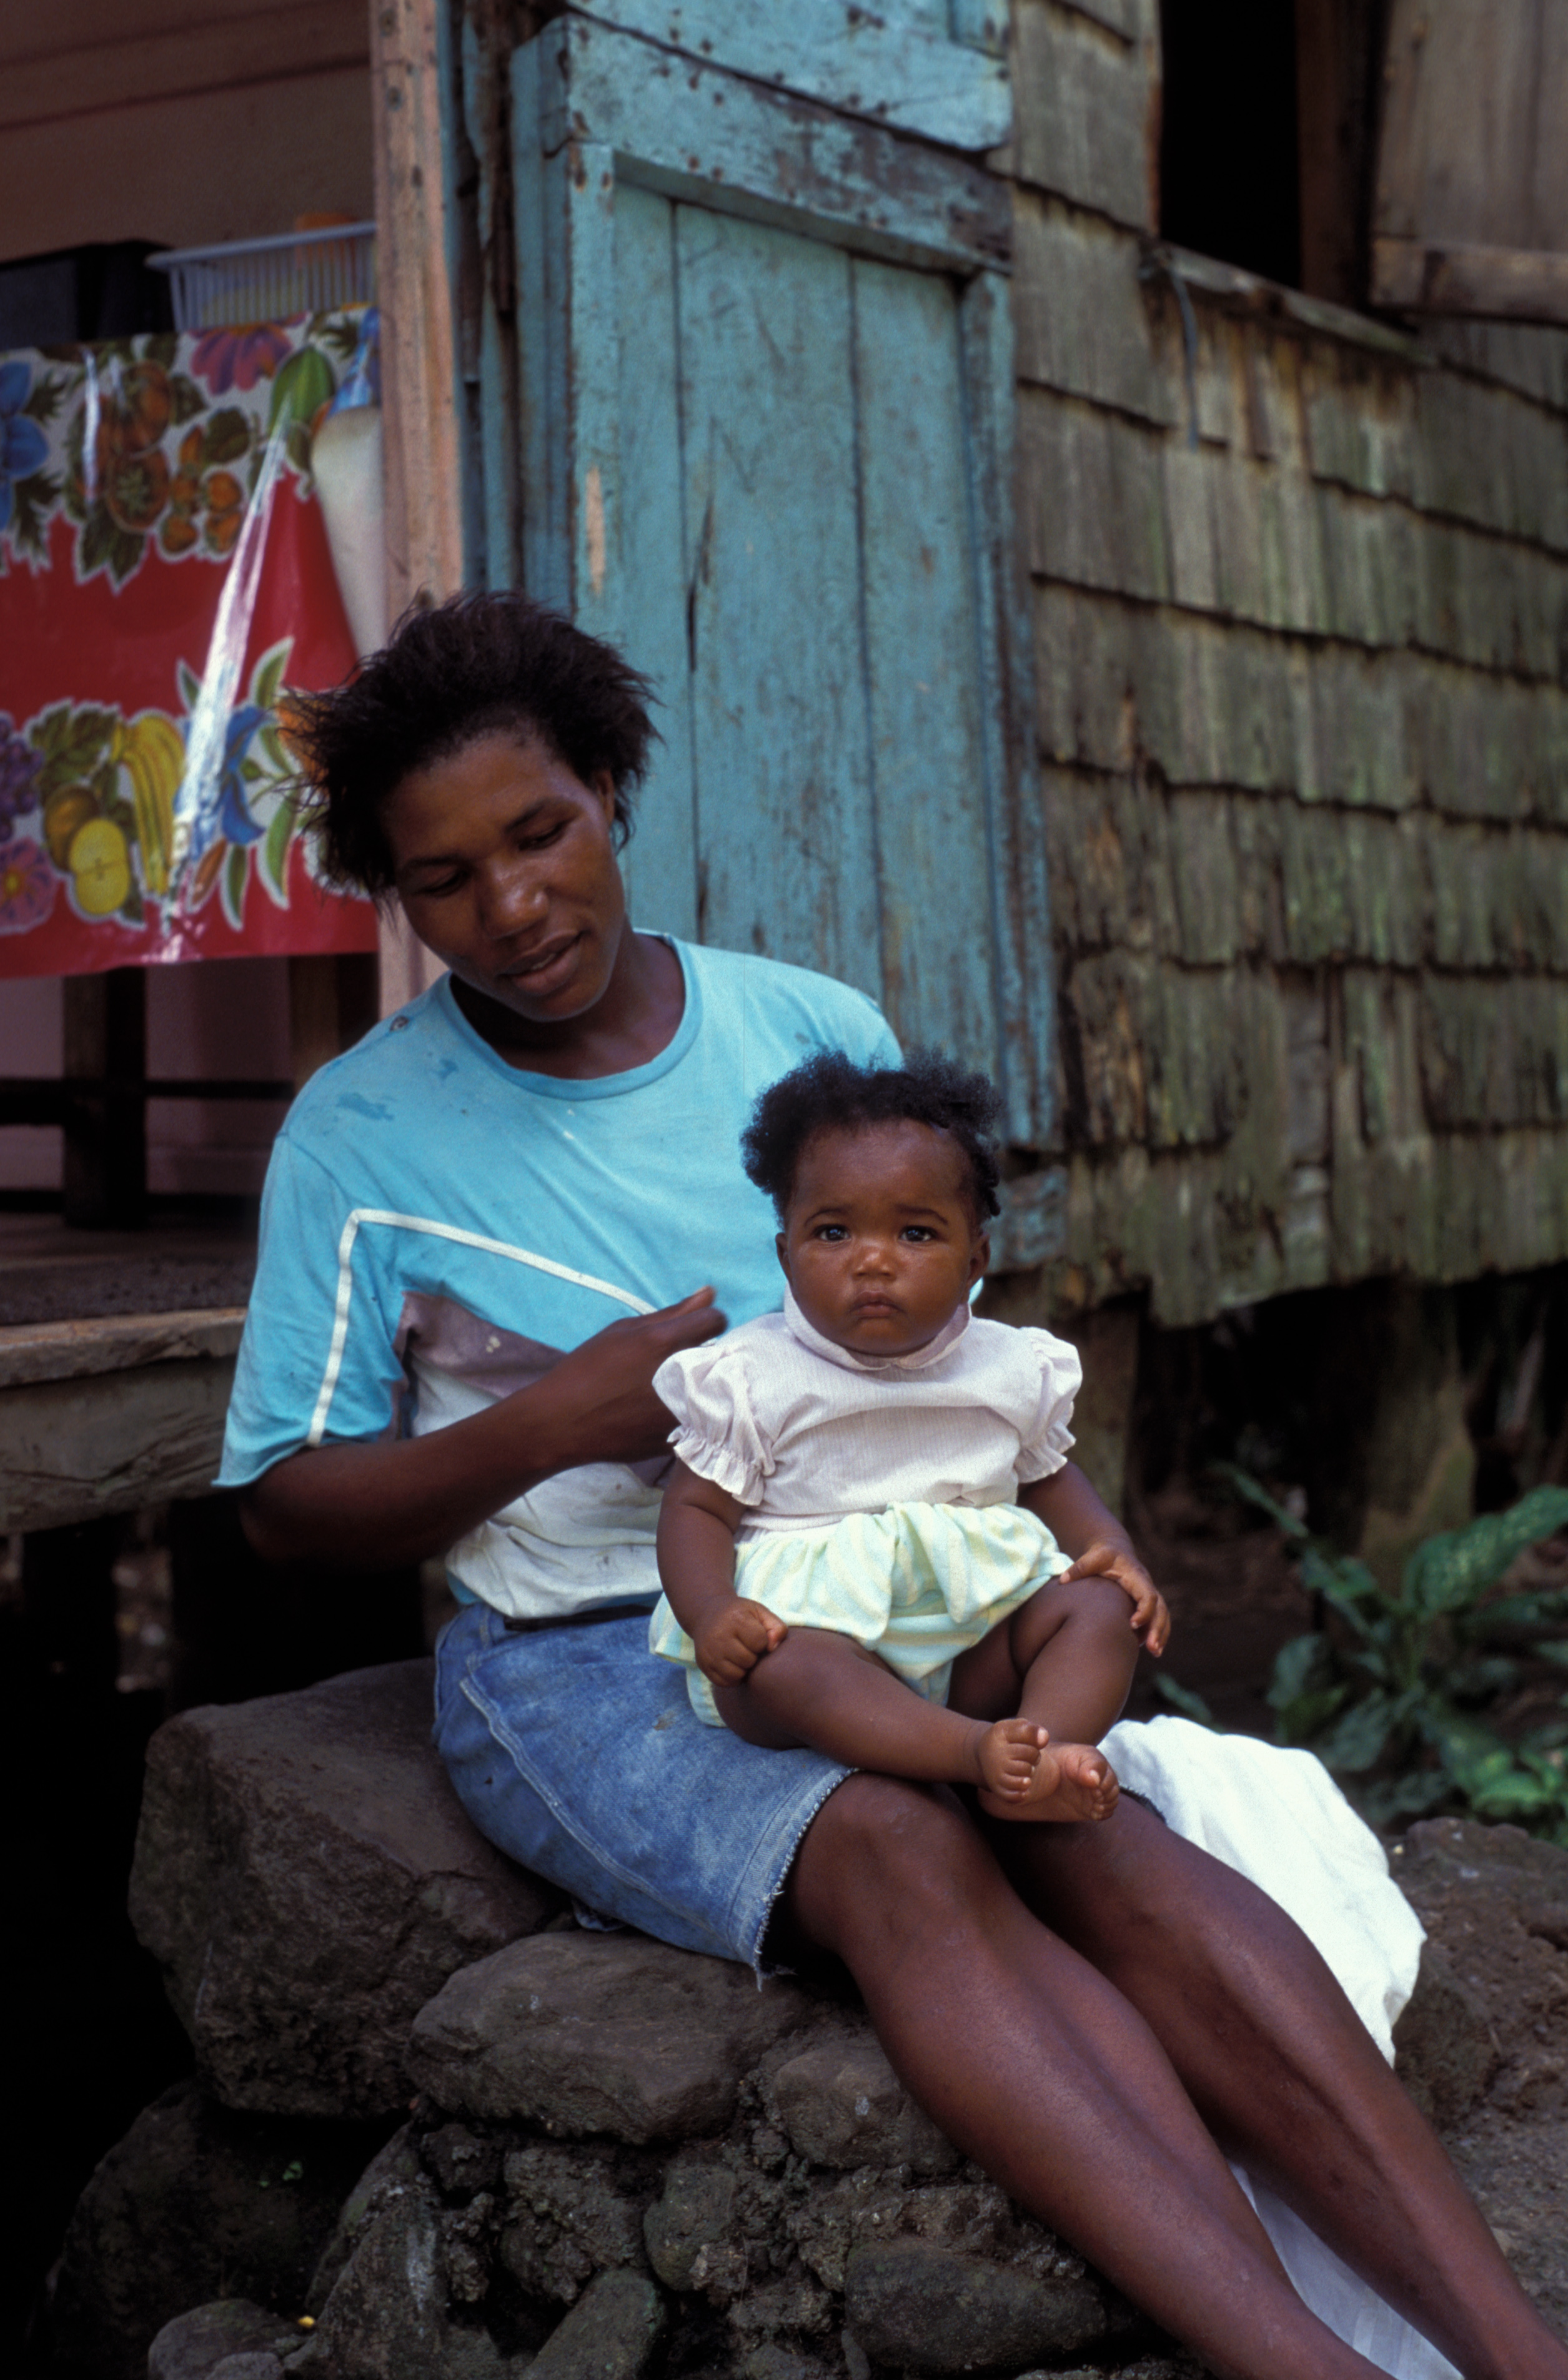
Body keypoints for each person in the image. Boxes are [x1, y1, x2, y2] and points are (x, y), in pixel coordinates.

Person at [226, 591, 1567, 2380]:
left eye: (538, 834)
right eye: (444, 878)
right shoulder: (365, 1132)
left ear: (614, 788)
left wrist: (1059, 1552)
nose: (513, 904)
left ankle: (1510, 2348)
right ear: (398, 898)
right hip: (586, 1655)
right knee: (892, 1839)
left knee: (1076, 1810)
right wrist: (558, 1420)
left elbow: (946, 1360)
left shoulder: (801, 1035)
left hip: (897, 1597)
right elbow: (280, 1501)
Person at [650, 1047, 1169, 1820]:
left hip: (967, 1642)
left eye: (916, 1235)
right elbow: (695, 1510)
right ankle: (970, 1755)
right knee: (787, 1666)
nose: (872, 1261)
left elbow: (1050, 1476)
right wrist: (710, 1610)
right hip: (818, 1649)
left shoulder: (1010, 1367)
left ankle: (1038, 1758)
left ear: (975, 1259)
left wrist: (1115, 1554)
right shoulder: (750, 1378)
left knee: (1099, 1608)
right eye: (832, 1232)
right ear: (785, 1255)